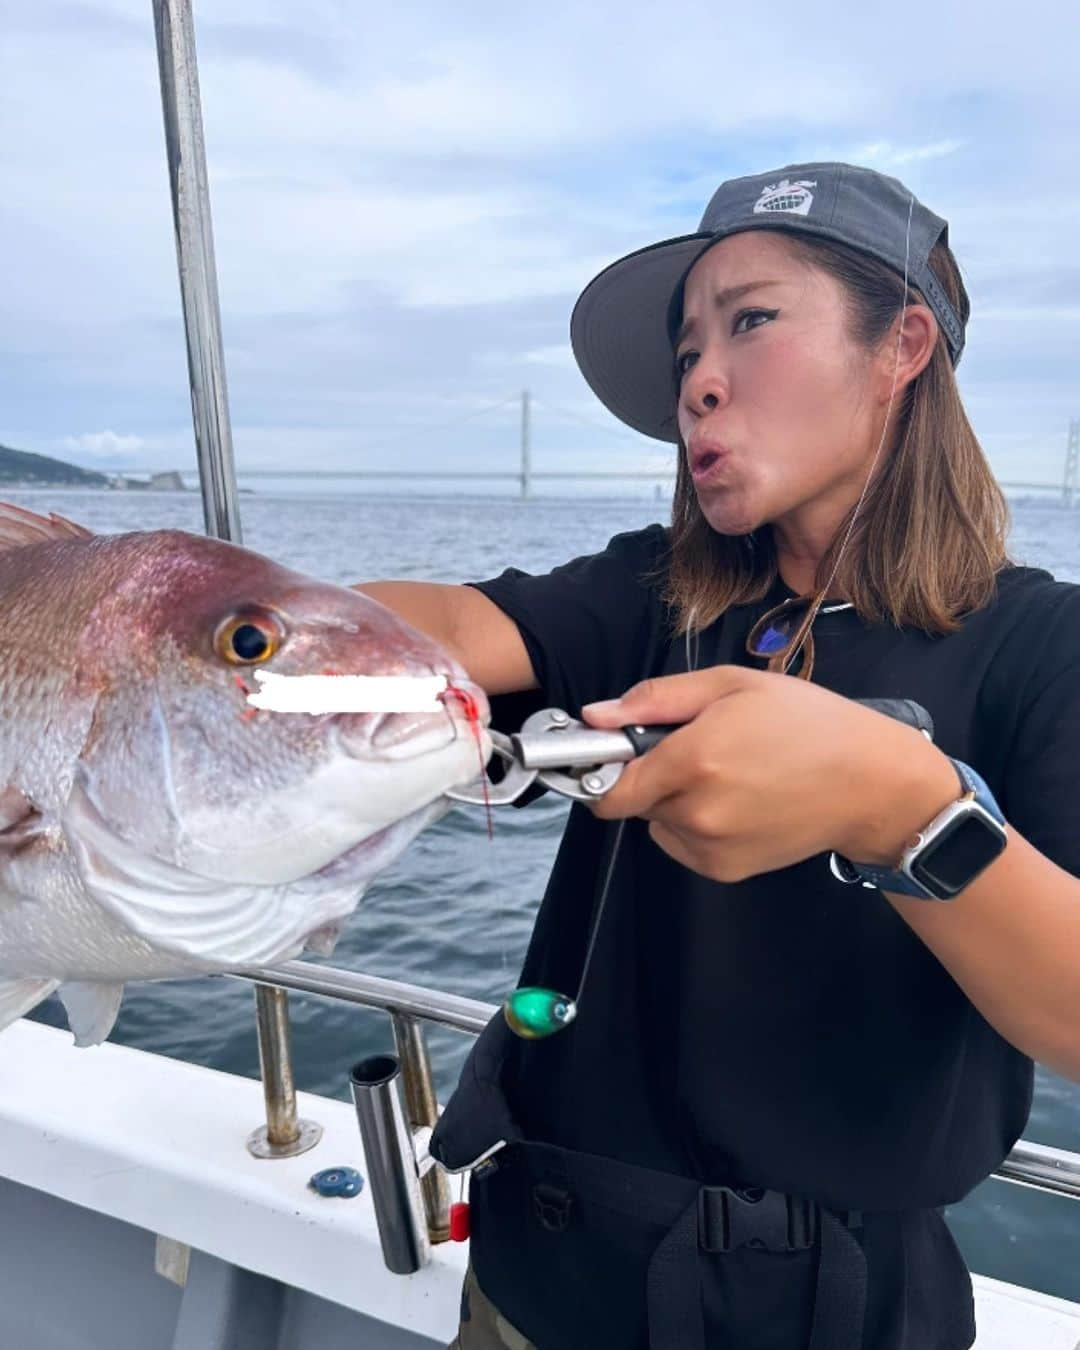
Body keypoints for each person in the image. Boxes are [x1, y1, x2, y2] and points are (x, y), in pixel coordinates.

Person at [359, 162, 1080, 1349]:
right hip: (538, 1283)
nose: (698, 379)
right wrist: (164, 609)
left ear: (902, 344)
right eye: (687, 346)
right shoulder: (651, 594)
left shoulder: (1040, 647)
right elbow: (433, 630)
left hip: (839, 1312)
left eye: (751, 321)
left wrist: (901, 806)